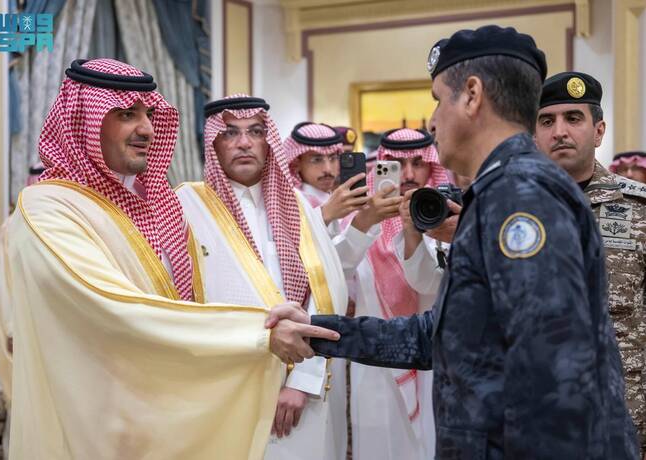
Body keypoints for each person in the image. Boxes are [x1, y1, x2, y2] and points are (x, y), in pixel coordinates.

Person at [268, 25, 640, 459]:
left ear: (472, 96)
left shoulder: (521, 197)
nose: (432, 120)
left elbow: (555, 375)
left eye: (438, 100)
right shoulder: (500, 190)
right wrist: (317, 330)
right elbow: (443, 335)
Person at [1, 59, 337, 460]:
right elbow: (114, 308)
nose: (147, 128)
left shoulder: (155, 205)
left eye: (148, 114)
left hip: (163, 416)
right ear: (82, 122)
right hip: (90, 426)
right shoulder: (48, 208)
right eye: (127, 114)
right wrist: (258, 334)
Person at [176, 95, 349, 460]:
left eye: (255, 131)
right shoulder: (185, 206)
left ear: (268, 141)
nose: (244, 143)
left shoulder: (299, 206)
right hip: (221, 388)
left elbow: (327, 292)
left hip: (296, 389)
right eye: (230, 133)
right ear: (213, 143)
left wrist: (302, 381)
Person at [535, 71, 646, 455]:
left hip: (623, 421)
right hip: (539, 422)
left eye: (573, 118)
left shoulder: (638, 209)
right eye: (546, 121)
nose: (559, 131)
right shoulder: (514, 210)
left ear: (599, 132)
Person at [348, 128, 450, 460]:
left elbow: (430, 284)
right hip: (374, 363)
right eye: (397, 164)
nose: (407, 174)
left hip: (432, 361)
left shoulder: (446, 219)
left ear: (431, 166)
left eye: (418, 163)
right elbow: (337, 279)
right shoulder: (357, 219)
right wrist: (364, 223)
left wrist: (417, 231)